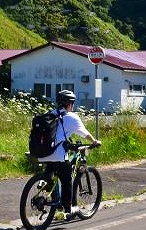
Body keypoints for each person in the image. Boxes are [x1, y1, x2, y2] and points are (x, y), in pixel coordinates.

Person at [38, 90, 101, 220]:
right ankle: (68, 208)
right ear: (70, 104)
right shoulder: (72, 117)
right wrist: (94, 141)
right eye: (72, 103)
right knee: (67, 180)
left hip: (44, 153)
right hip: (58, 155)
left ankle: (47, 192)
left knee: (51, 175)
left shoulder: (51, 114)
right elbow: (84, 133)